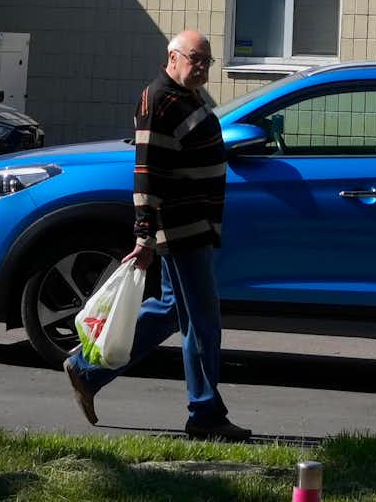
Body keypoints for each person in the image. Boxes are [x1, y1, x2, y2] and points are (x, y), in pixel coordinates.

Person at [64, 27, 243, 440]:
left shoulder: (186, 96)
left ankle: (87, 372)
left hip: (196, 224)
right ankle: (205, 414)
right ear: (172, 56)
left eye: (207, 62)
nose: (201, 68)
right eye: (195, 59)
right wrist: (144, 236)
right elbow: (147, 173)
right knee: (203, 322)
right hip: (181, 228)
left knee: (169, 312)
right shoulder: (159, 99)